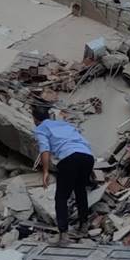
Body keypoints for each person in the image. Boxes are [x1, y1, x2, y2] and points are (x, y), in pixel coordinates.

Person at [32, 104, 95, 243]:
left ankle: (63, 234)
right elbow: (83, 142)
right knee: (80, 191)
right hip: (87, 156)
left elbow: (45, 149)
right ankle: (84, 225)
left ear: (35, 119)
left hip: (69, 158)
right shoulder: (64, 125)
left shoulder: (40, 128)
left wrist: (46, 171)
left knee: (61, 197)